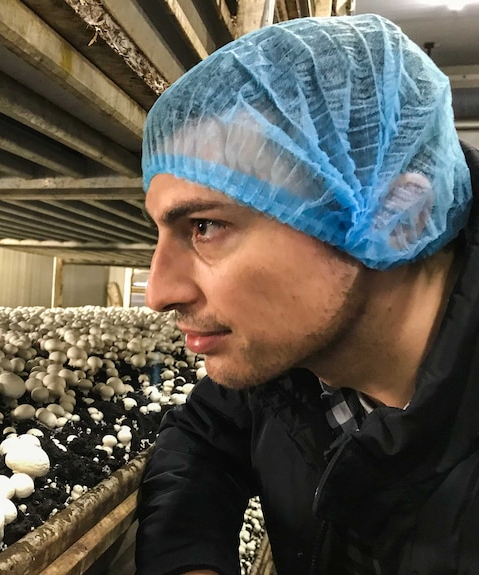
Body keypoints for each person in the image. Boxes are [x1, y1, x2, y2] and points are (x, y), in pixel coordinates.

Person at [135, 13, 478, 575]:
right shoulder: (289, 364)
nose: (158, 292)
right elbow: (204, 435)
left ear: (398, 216)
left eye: (205, 226)